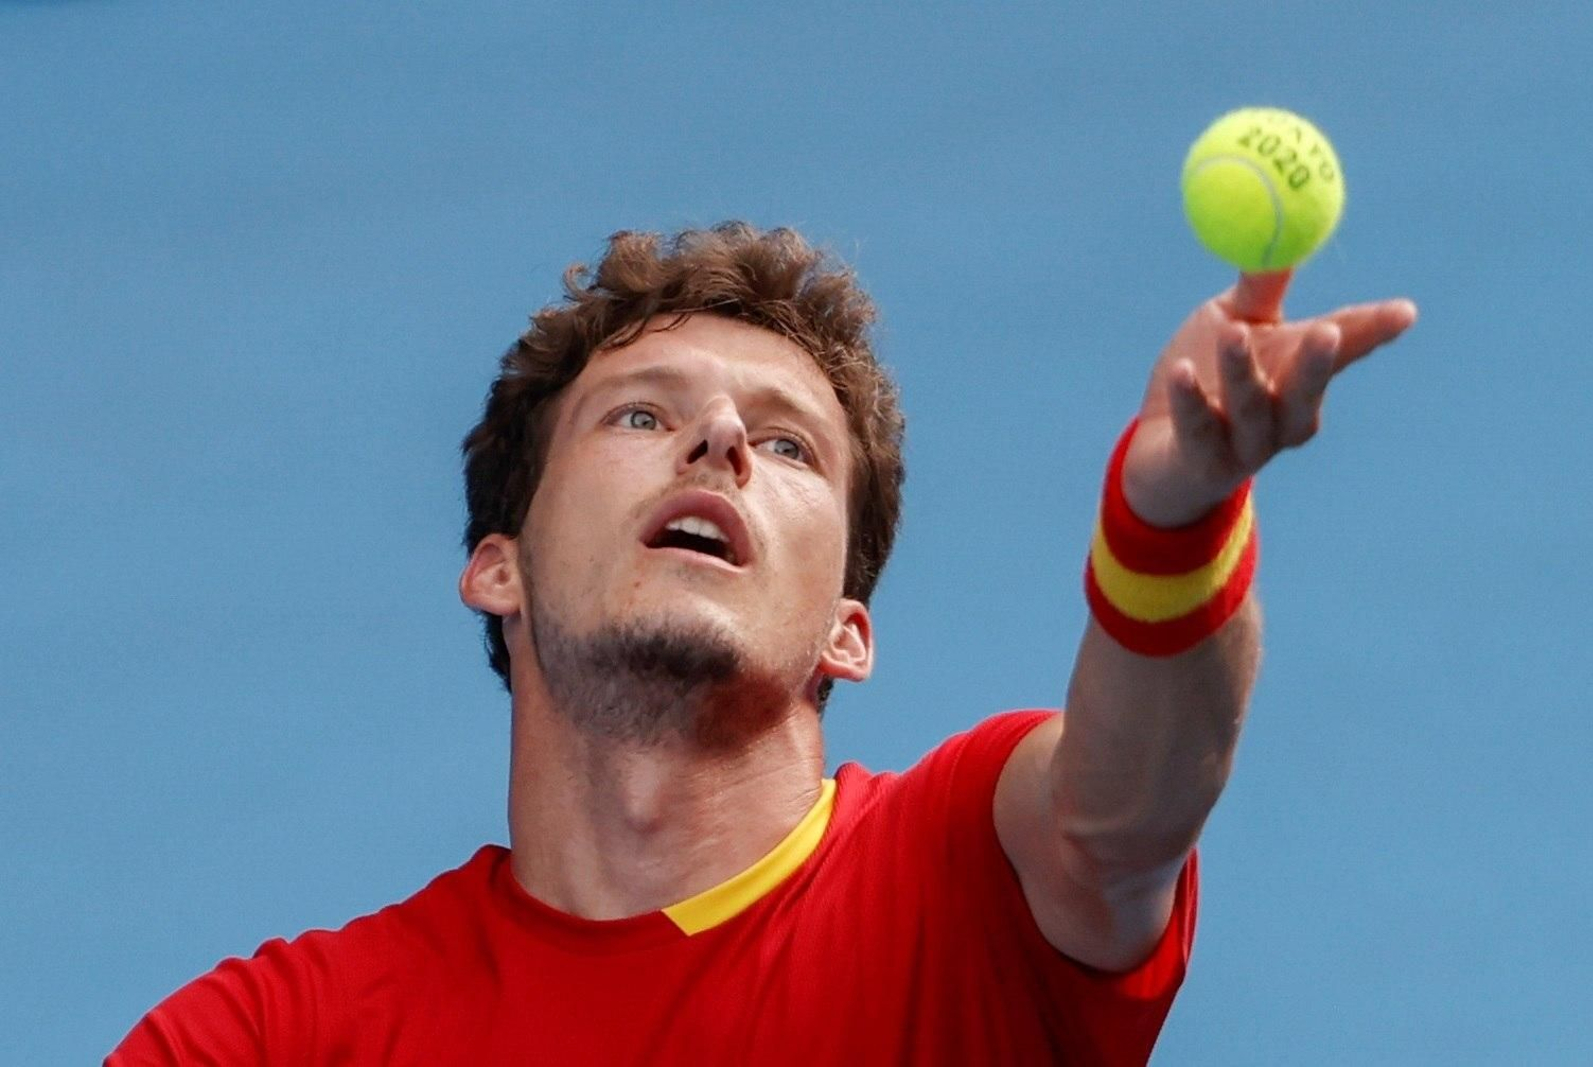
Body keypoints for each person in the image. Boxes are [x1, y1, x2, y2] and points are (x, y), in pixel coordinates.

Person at [107, 223, 1416, 1065]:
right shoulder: (277, 1037)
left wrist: (1173, 515)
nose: (720, 442)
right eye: (636, 418)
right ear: (497, 566)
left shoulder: (960, 875)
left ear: (848, 634)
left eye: (787, 444)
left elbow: (1125, 811)